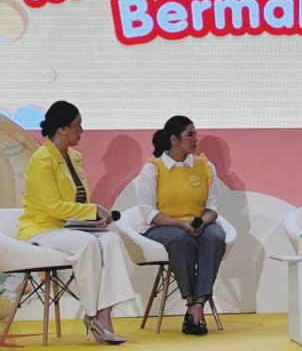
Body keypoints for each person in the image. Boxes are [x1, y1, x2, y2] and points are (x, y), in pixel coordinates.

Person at [16, 100, 135, 345]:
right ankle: (91, 313)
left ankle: (104, 315)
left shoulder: (75, 157)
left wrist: (92, 221)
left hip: (68, 227)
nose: (82, 130)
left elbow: (76, 202)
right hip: (42, 228)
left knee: (111, 240)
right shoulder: (41, 160)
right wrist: (93, 211)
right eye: (77, 125)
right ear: (62, 129)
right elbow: (53, 206)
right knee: (88, 244)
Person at [136, 115, 226, 335]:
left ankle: (197, 306)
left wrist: (201, 222)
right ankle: (191, 302)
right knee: (181, 239)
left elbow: (213, 206)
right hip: (164, 227)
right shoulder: (153, 168)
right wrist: (181, 224)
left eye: (196, 134)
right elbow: (149, 212)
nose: (196, 139)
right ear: (174, 140)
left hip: (199, 223)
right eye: (190, 135)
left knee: (215, 236)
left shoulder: (204, 166)